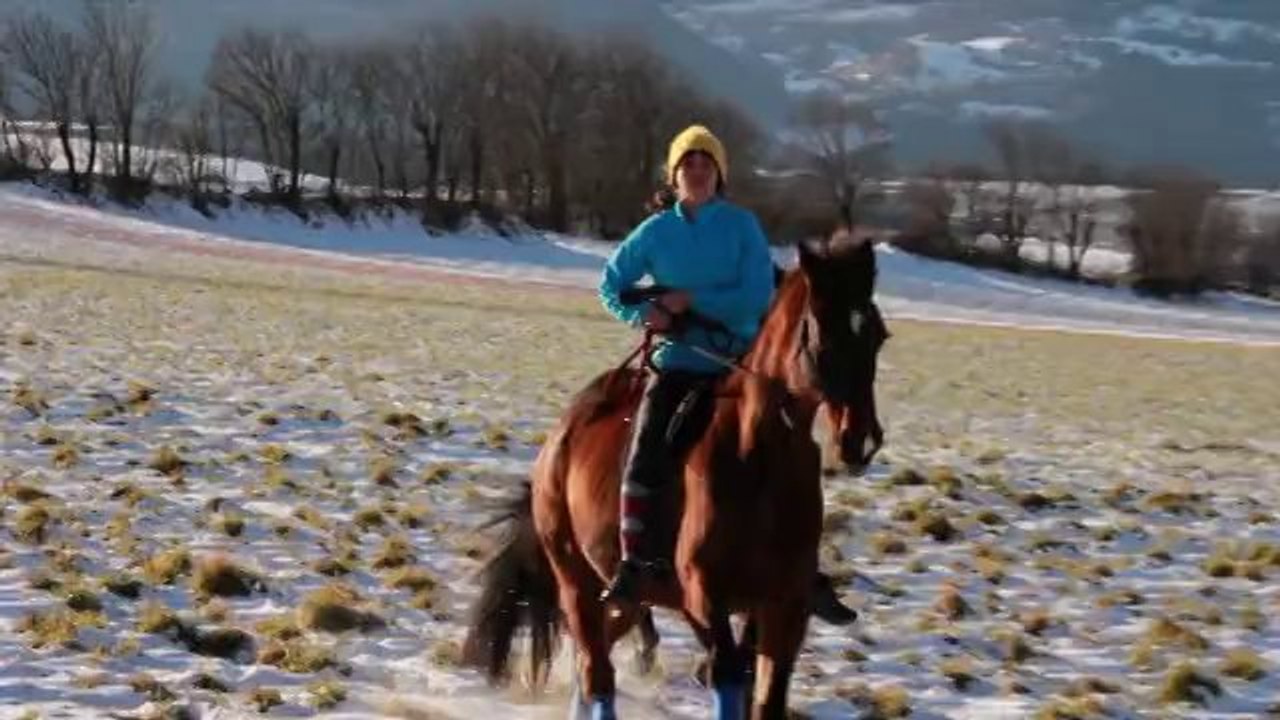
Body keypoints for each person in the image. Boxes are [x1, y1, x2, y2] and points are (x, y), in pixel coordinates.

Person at [596, 124, 776, 604]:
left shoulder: (742, 226)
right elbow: (611, 286)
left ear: (720, 174)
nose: (696, 171)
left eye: (705, 163)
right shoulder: (655, 231)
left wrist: (691, 300)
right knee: (645, 450)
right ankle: (635, 562)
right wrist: (644, 313)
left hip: (740, 364)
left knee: (790, 450)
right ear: (673, 175)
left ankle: (802, 568)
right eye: (687, 163)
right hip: (678, 362)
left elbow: (758, 295)